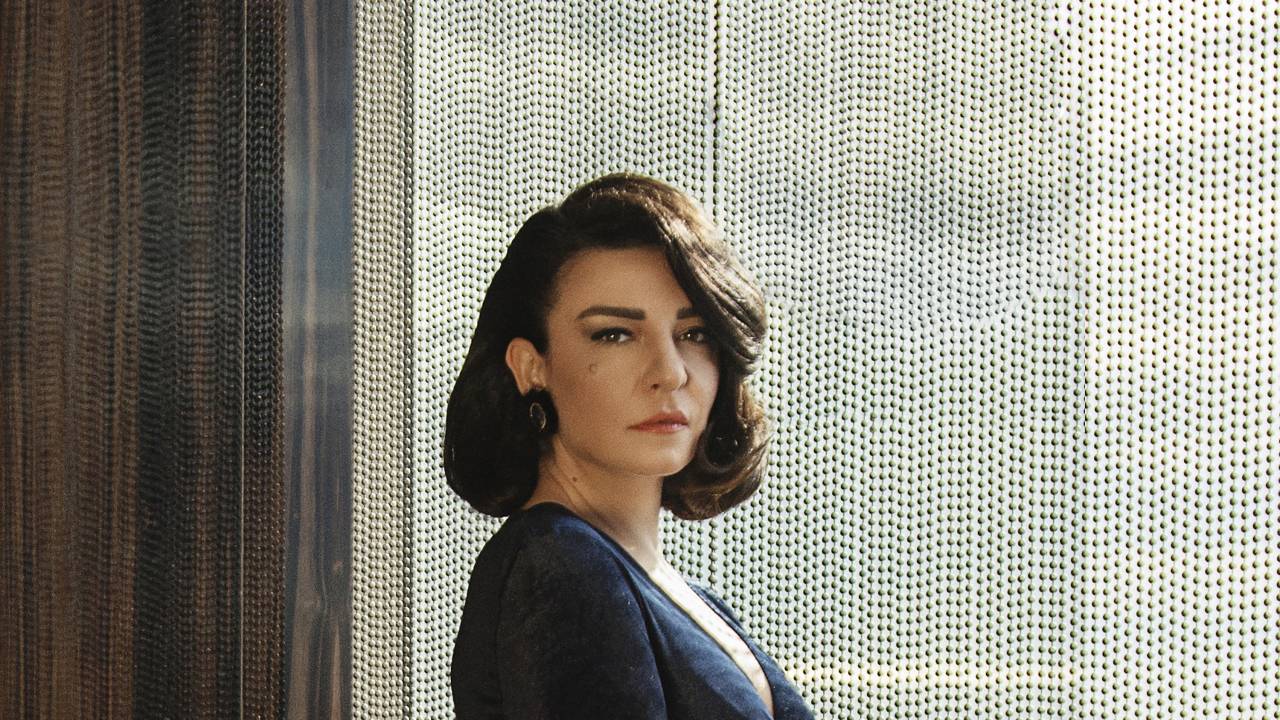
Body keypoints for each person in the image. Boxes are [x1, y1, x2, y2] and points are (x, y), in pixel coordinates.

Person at [446, 173, 815, 719]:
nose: (670, 372)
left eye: (693, 334)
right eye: (614, 334)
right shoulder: (563, 569)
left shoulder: (668, 590)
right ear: (531, 366)